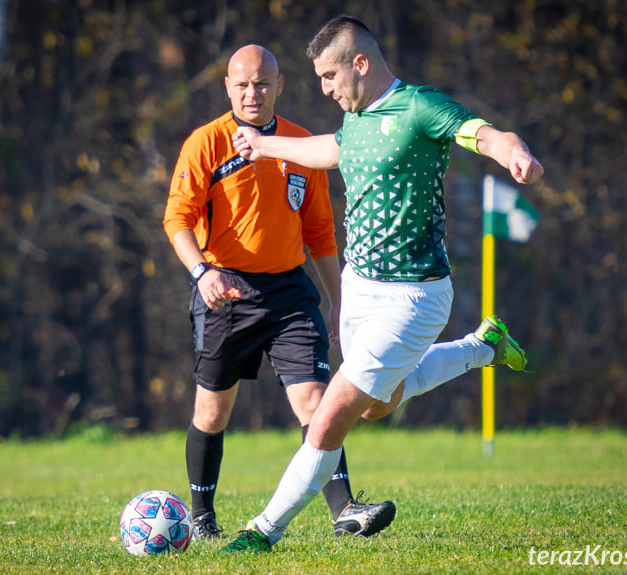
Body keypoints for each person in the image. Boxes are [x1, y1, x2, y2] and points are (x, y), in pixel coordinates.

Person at [219, 16, 544, 553]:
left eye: (328, 76)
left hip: (414, 297)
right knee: (378, 405)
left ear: (360, 64)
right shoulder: (357, 118)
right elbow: (333, 152)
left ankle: (261, 531)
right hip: (360, 288)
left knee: (328, 420)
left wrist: (514, 153)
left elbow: (482, 132)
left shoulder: (419, 106)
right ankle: (482, 347)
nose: (323, 88)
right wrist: (264, 146)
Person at [162, 44, 396, 542]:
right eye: (242, 84)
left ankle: (345, 512)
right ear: (228, 87)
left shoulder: (300, 144)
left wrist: (338, 302)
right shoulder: (205, 143)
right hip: (225, 289)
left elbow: (321, 235)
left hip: (291, 293)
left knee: (317, 403)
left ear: (280, 85)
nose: (252, 93)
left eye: (262, 84)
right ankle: (201, 519)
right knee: (211, 412)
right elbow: (176, 220)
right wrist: (202, 272)